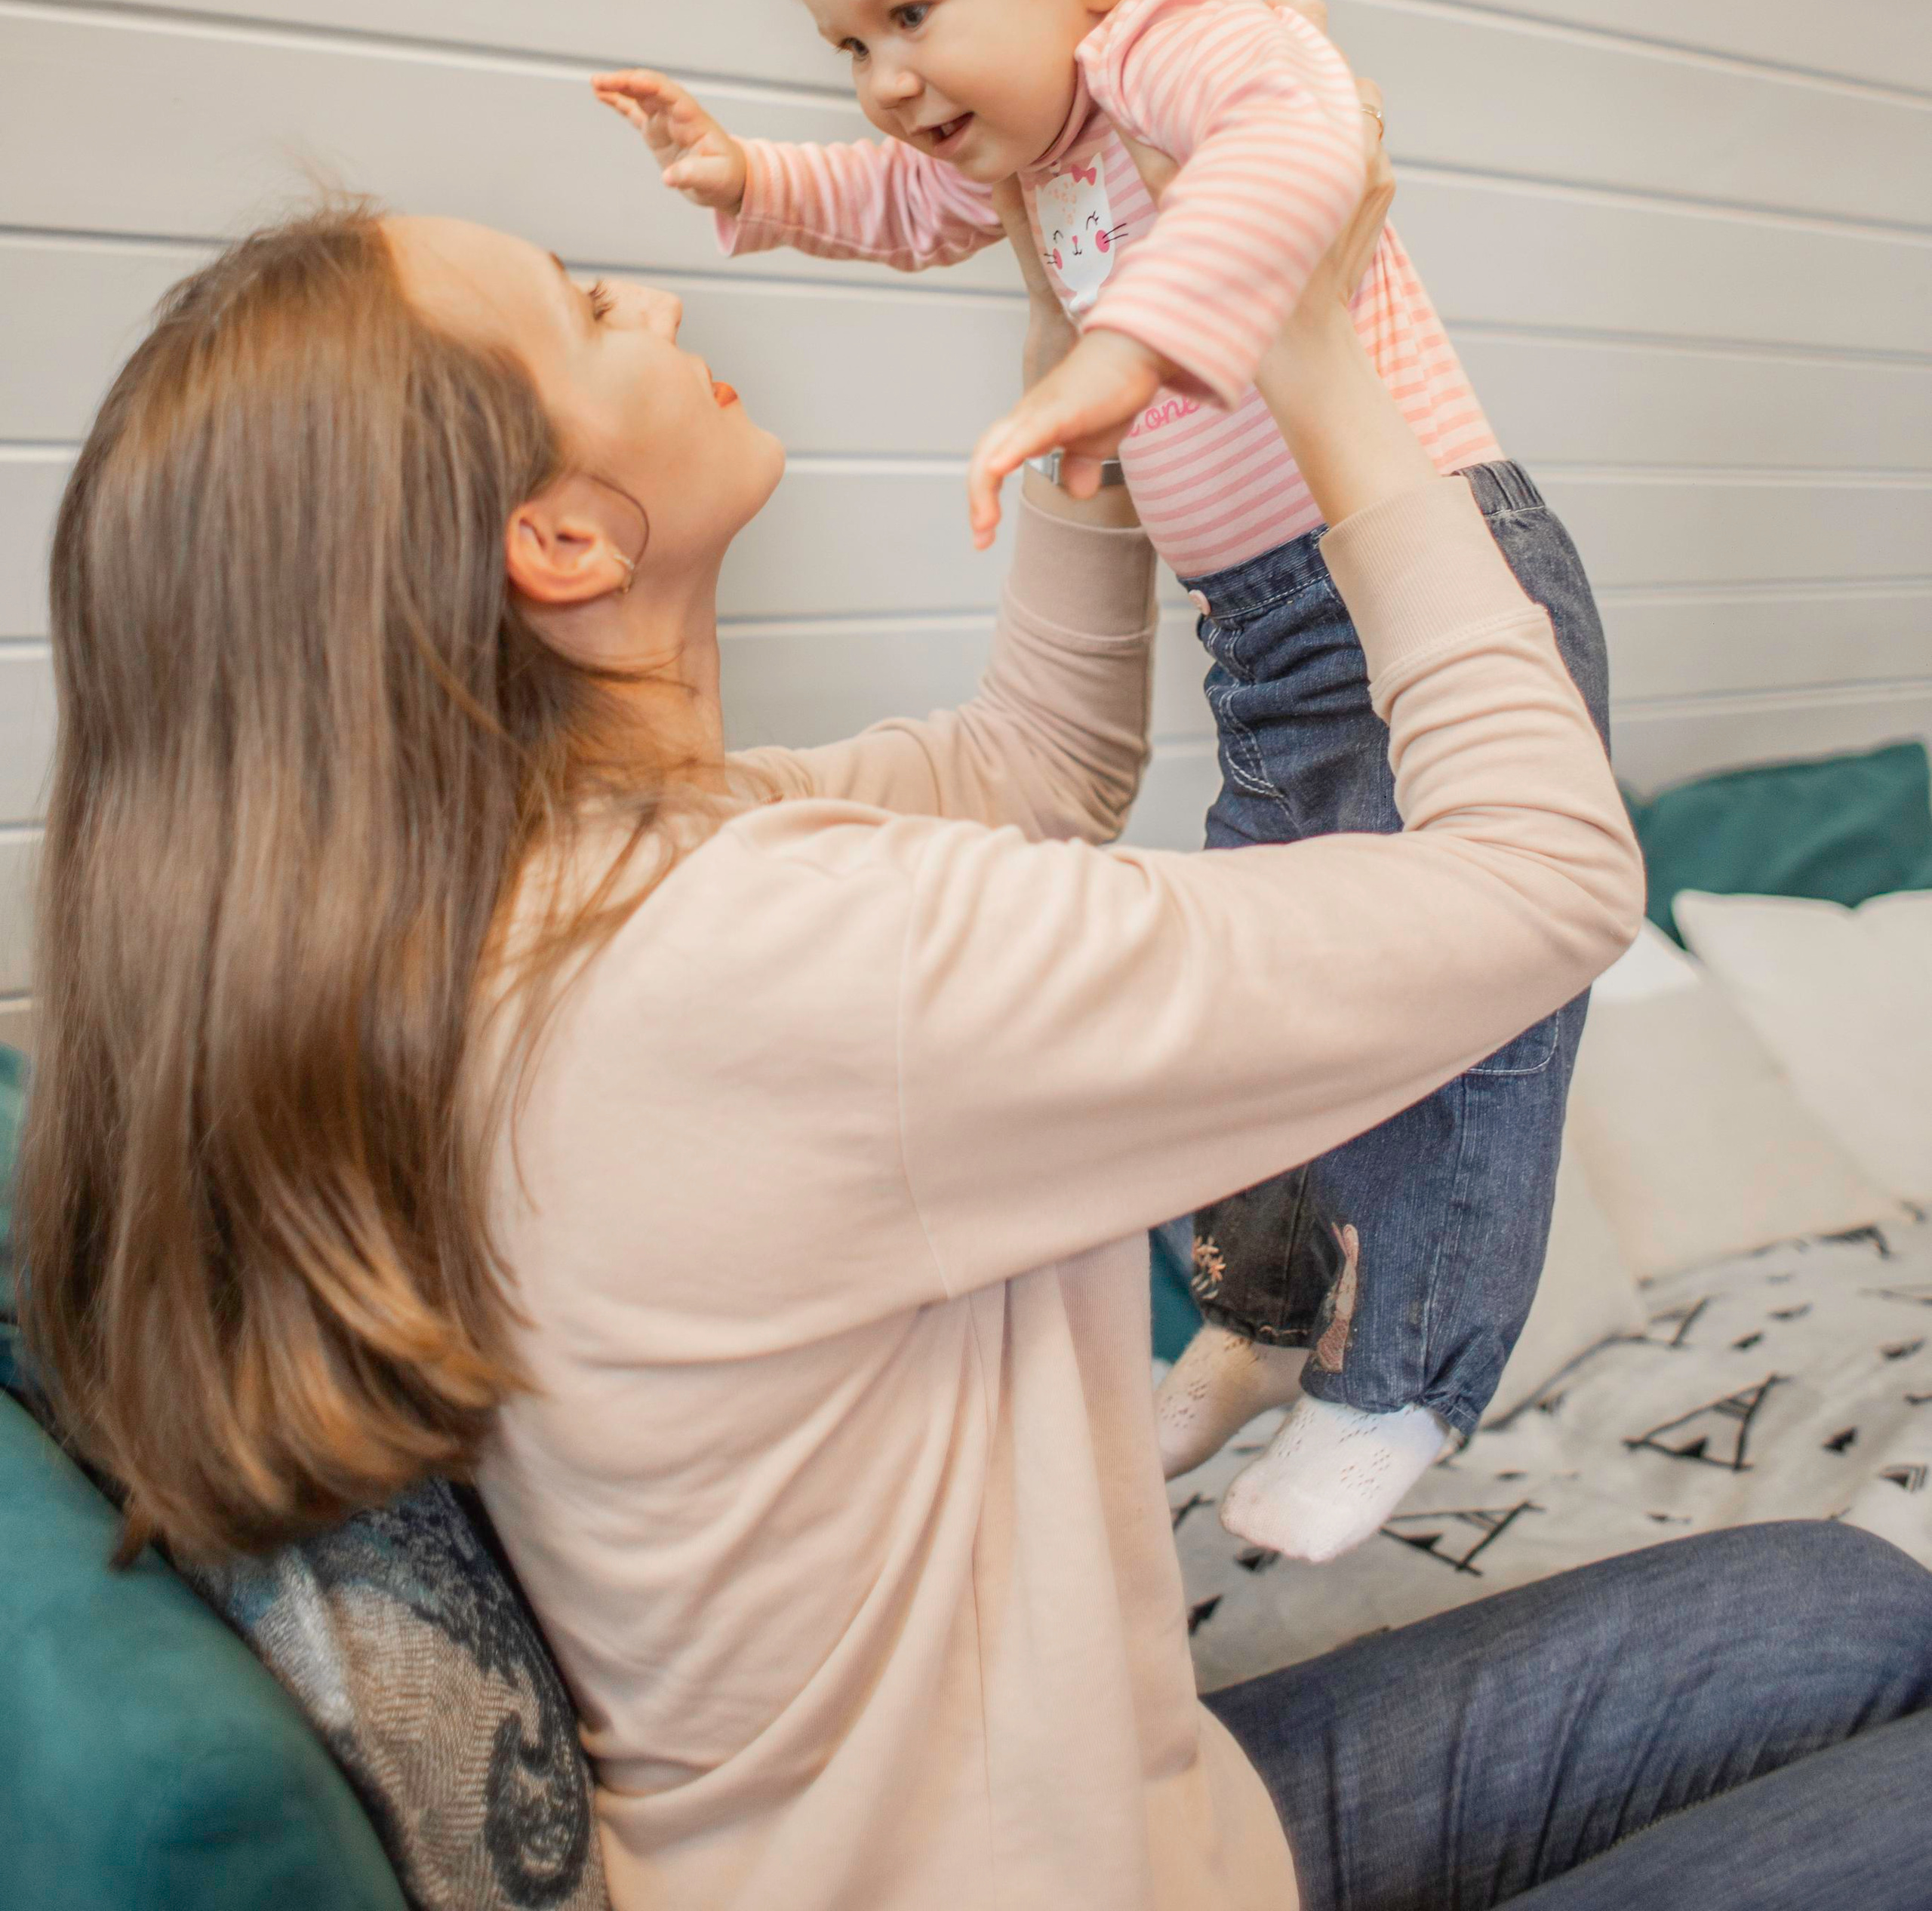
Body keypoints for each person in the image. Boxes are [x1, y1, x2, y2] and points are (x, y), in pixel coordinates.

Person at [19, 150, 1932, 1910]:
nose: (658, 301)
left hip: (1122, 1833)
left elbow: (1035, 767)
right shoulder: (754, 960)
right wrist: (1323, 368)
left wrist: (1077, 339)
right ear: (565, 542)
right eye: (590, 310)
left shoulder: (549, 897)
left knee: (1849, 1609)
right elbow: (1548, 879)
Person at [592, 0, 1610, 1560]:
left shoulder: (1182, 38)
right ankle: (1259, 1319)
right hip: (1271, 641)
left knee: (1461, 1021)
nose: (883, 81)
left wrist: (1124, 346)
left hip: (1426, 578)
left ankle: (1400, 1379)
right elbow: (895, 199)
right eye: (845, 42)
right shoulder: (1029, 143)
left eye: (911, 16)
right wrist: (753, 180)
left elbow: (1304, 150)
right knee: (1272, 1014)